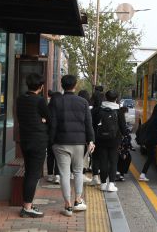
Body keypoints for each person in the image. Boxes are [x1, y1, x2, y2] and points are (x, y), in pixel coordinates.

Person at [50, 75, 95, 217]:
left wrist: (51, 141)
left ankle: (67, 206)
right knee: (77, 172)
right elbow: (88, 123)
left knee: (64, 173)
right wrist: (91, 141)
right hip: (79, 142)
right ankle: (78, 200)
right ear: (75, 85)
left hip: (60, 142)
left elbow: (52, 124)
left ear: (62, 85)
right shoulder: (83, 102)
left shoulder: (55, 101)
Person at [16, 73, 50, 218]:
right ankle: (27, 208)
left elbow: (21, 117)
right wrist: (42, 120)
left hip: (25, 140)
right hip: (38, 141)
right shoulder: (40, 101)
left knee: (28, 172)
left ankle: (26, 204)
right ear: (41, 87)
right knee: (33, 175)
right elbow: (50, 118)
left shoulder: (20, 99)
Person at [93, 90, 126, 192]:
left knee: (103, 161)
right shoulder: (119, 111)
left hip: (100, 139)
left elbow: (94, 124)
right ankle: (111, 184)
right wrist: (124, 136)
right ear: (116, 98)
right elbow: (123, 127)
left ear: (105, 98)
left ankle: (103, 184)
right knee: (113, 161)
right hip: (114, 140)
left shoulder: (99, 110)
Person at [138, 104, 157, 182]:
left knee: (150, 157)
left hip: (148, 141)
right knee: (150, 158)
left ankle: (143, 174)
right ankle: (142, 175)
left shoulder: (153, 118)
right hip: (150, 141)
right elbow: (154, 132)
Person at [77, 89, 96, 184]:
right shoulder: (87, 107)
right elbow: (89, 124)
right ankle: (81, 175)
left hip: (72, 135)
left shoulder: (75, 105)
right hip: (82, 137)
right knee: (81, 158)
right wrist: (91, 140)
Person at [89, 87, 104, 186]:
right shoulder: (105, 110)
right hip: (104, 136)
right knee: (104, 157)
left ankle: (95, 177)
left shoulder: (91, 111)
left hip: (94, 136)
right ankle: (104, 179)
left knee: (95, 157)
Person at [46, 90, 62, 184]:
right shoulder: (62, 109)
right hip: (60, 136)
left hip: (49, 135)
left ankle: (49, 175)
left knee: (50, 155)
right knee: (59, 156)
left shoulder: (48, 108)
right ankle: (57, 175)